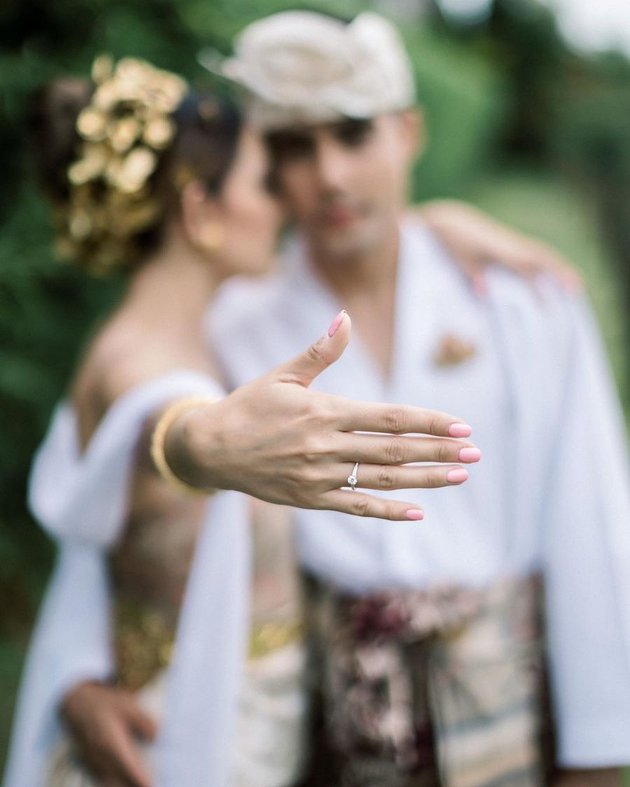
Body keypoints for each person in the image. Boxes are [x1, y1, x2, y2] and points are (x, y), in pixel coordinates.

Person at [3, 56, 488, 787]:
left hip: (247, 728)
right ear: (200, 213)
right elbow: (171, 425)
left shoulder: (213, 328)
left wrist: (438, 222)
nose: (285, 206)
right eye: (264, 184)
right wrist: (205, 447)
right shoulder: (140, 363)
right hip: (166, 740)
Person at [205, 10, 630, 787]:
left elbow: (593, 531)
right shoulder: (238, 325)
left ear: (410, 132)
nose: (330, 174)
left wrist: (599, 752)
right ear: (268, 163)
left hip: (510, 716)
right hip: (324, 727)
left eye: (354, 132)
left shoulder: (525, 300)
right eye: (297, 145)